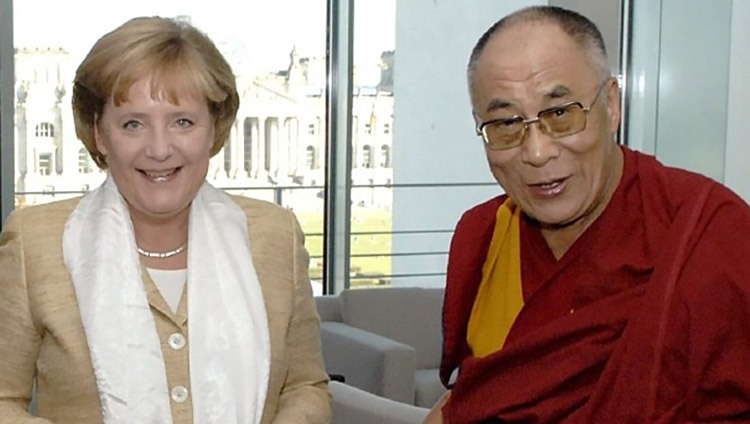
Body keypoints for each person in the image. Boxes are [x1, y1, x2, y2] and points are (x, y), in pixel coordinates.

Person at [425, 5, 750, 423]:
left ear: (611, 105)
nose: (537, 152)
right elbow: (478, 396)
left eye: (560, 114)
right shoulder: (484, 235)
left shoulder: (708, 231)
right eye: (505, 123)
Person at [0, 16, 331, 423]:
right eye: (133, 124)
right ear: (100, 135)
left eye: (182, 122)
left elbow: (305, 386)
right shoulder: (35, 243)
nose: (159, 149)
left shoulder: (275, 236)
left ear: (213, 130)